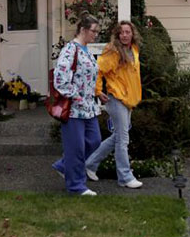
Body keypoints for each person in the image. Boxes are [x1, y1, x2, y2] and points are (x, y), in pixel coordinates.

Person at [85, 21, 143, 189]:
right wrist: (97, 91)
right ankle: (125, 177)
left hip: (128, 100)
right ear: (117, 35)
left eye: (128, 32)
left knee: (117, 137)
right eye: (122, 32)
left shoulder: (133, 49)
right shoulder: (113, 51)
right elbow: (98, 70)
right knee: (123, 139)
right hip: (116, 99)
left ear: (132, 34)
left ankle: (90, 164)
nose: (125, 35)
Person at [51, 12, 102, 196]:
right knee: (76, 147)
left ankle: (64, 165)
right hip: (72, 109)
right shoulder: (70, 50)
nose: (96, 34)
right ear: (83, 29)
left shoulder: (87, 50)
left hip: (89, 108)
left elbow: (88, 77)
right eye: (94, 31)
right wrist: (76, 96)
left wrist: (97, 94)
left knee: (95, 140)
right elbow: (60, 79)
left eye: (97, 31)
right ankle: (76, 186)